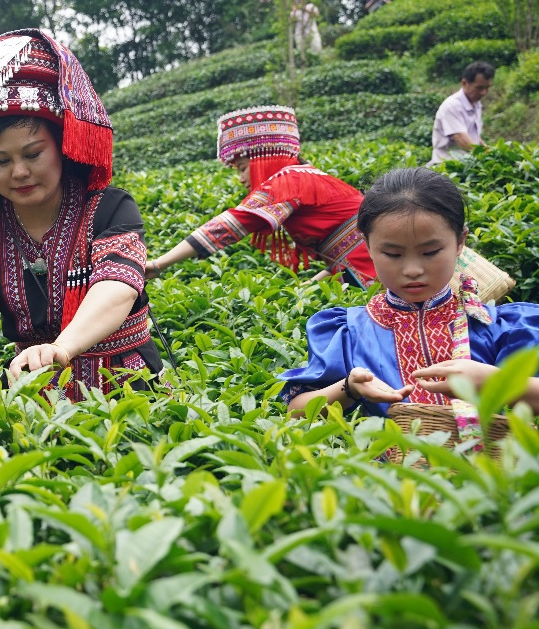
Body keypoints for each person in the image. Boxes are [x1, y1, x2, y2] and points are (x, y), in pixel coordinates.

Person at [0, 29, 162, 398]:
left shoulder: (108, 207)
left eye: (33, 154)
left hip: (124, 386)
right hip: (33, 391)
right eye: (1, 160)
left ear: (61, 145)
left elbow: (117, 287)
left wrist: (62, 347)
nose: (19, 172)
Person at [279, 167, 539, 428]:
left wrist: (498, 382)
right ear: (368, 246)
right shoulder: (350, 331)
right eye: (393, 254)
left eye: (431, 252)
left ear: (460, 242)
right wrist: (349, 388)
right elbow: (297, 411)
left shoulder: (496, 326)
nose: (412, 270)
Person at [147, 106, 377, 287]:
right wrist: (311, 285)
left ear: (264, 160)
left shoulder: (288, 181)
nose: (241, 178)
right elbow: (343, 252)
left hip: (373, 269)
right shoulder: (308, 176)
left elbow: (229, 225)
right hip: (371, 264)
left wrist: (160, 264)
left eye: (242, 168)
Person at [430, 61, 494, 166]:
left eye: (487, 88)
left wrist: (490, 151)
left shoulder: (476, 105)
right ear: (464, 83)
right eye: (479, 88)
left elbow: (474, 137)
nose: (483, 92)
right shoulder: (452, 106)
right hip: (447, 167)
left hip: (467, 164)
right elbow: (460, 137)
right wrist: (485, 157)